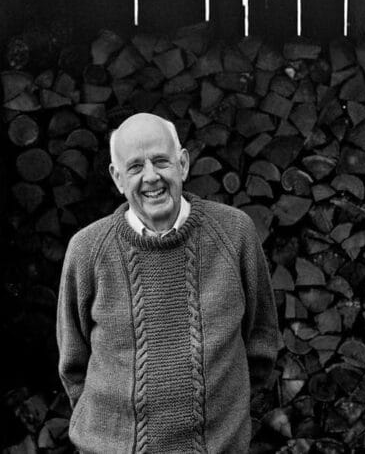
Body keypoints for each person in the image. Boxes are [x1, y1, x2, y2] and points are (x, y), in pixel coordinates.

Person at [56, 113, 280, 453]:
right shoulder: (87, 250)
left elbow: (261, 340)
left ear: (184, 164)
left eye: (161, 161)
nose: (151, 177)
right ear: (117, 178)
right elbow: (73, 364)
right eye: (135, 167)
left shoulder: (235, 234)